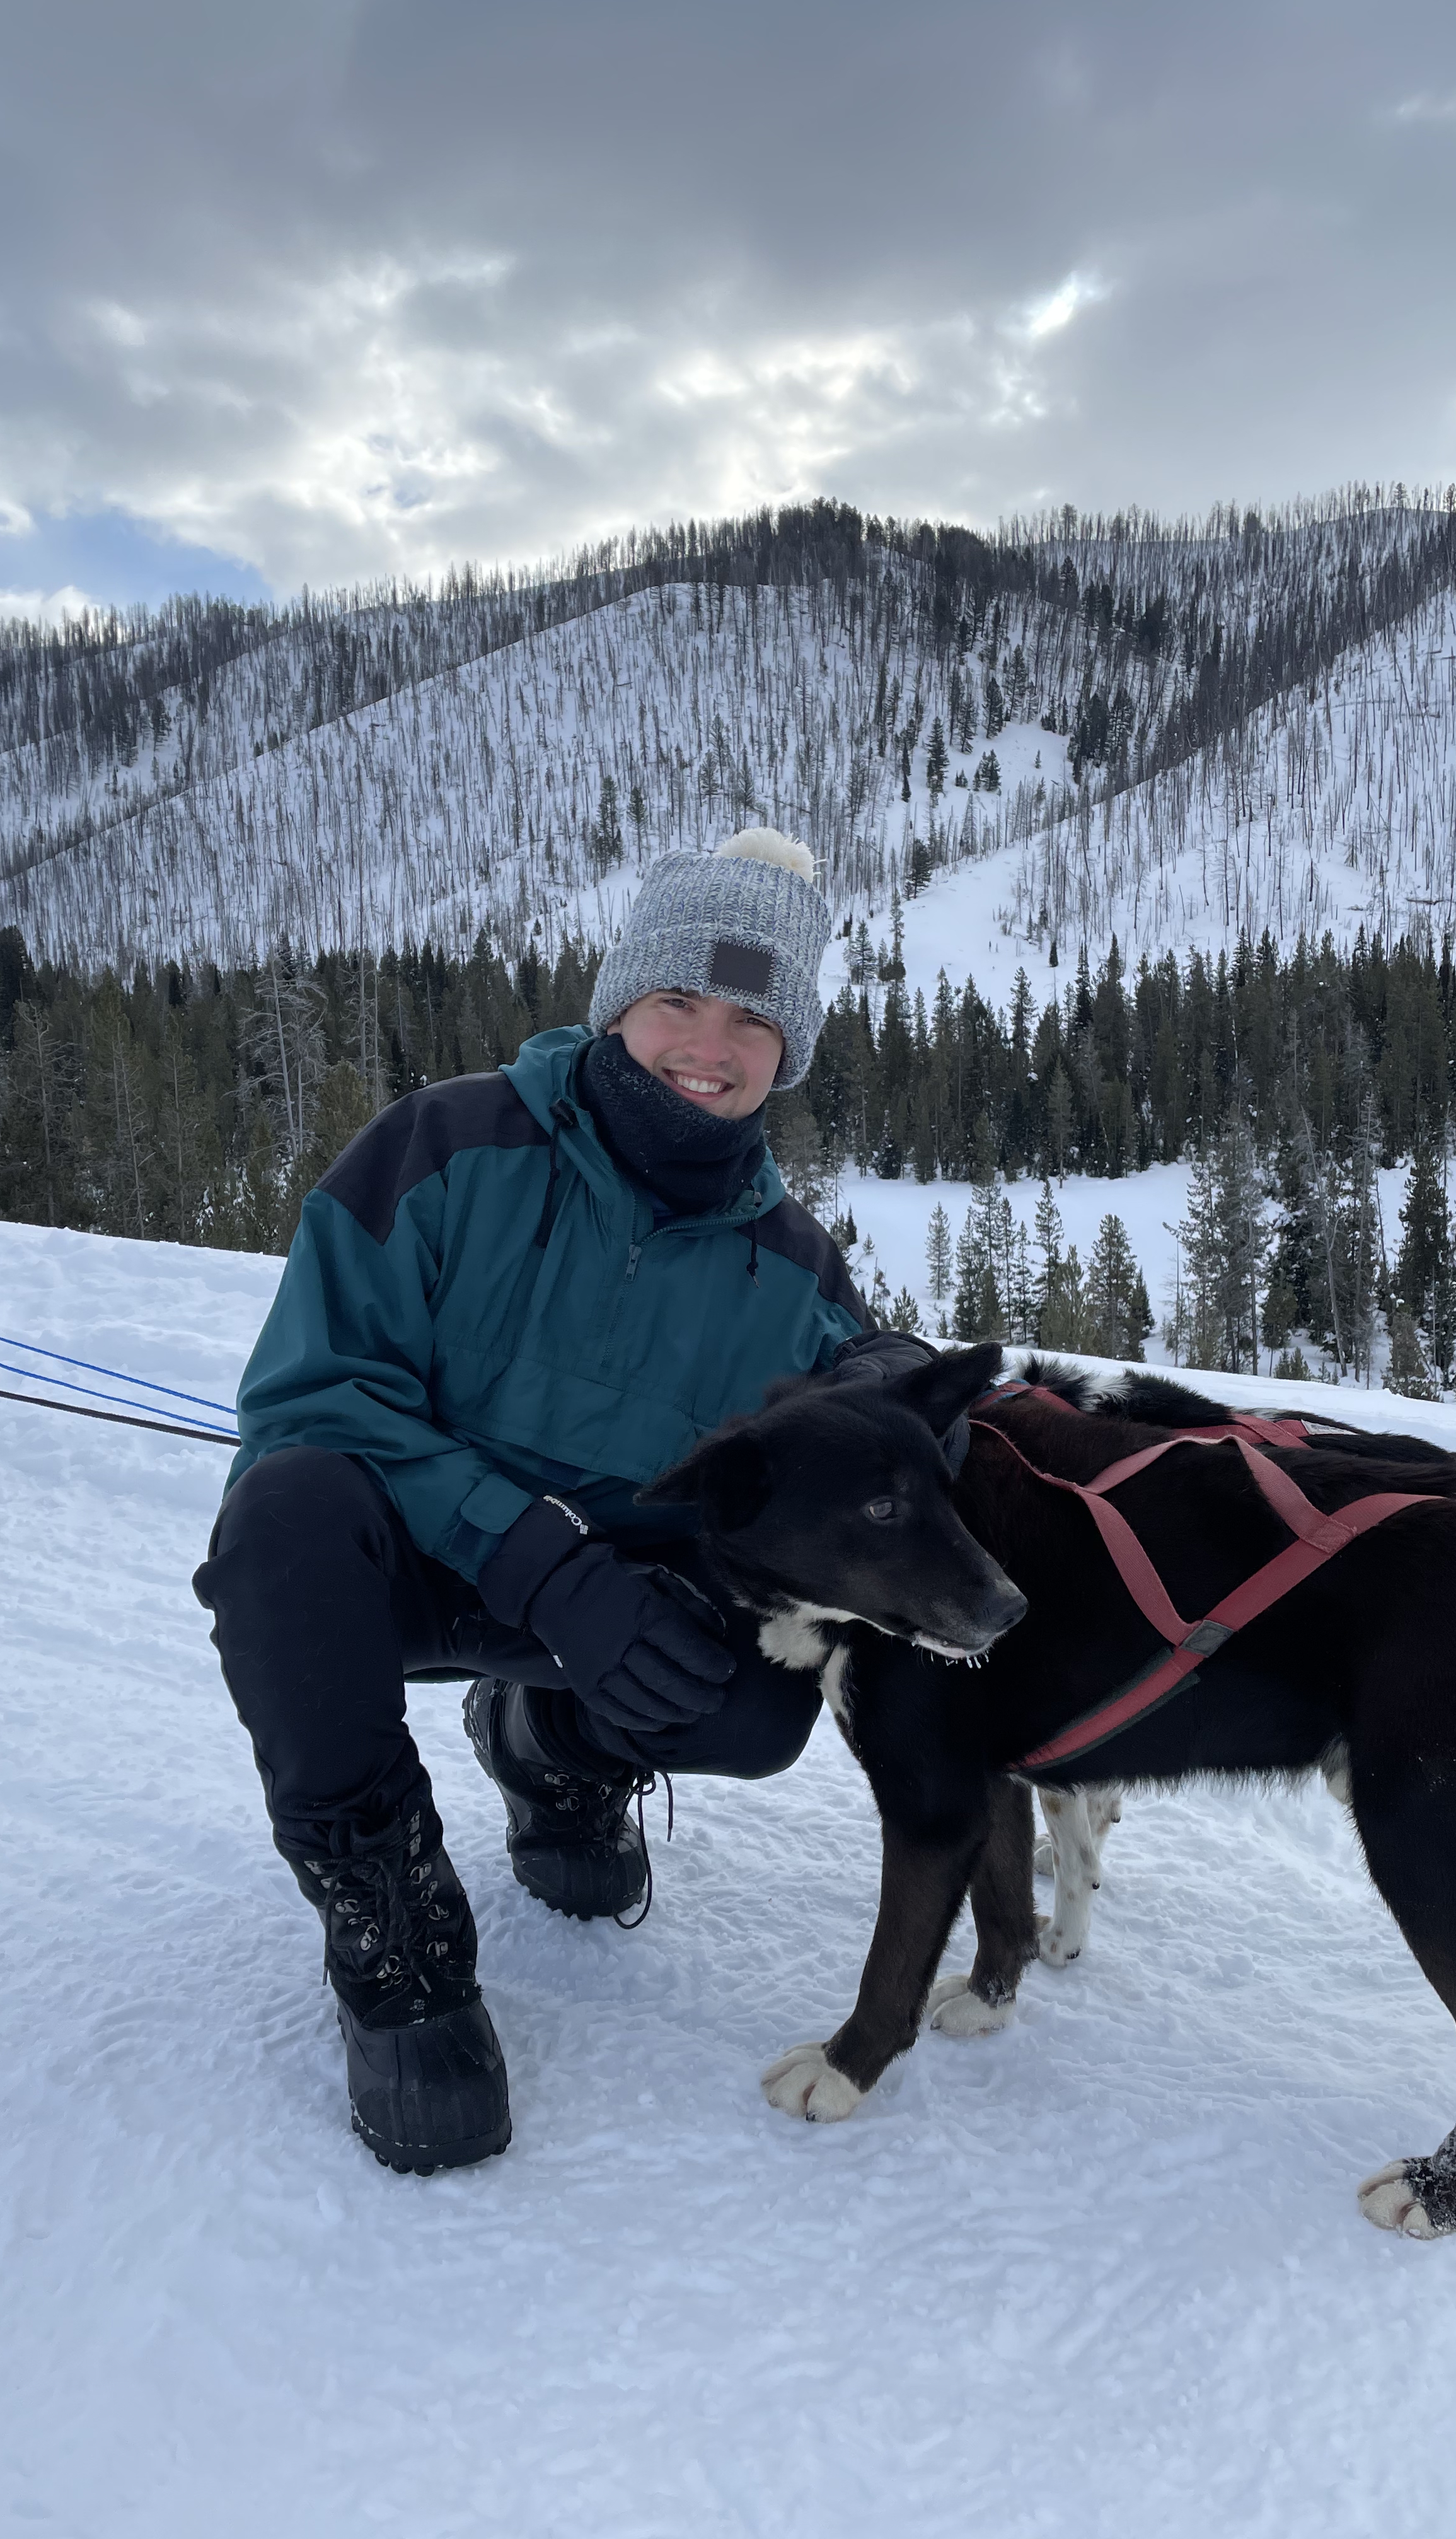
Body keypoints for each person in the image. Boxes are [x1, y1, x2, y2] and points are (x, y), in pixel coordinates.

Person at [193, 828, 932, 2173]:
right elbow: (314, 1395)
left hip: (602, 1609)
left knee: (763, 1701)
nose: (709, 1046)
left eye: (755, 1019)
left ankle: (554, 1750)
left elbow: (858, 1425)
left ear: (792, 1049)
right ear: (619, 1001)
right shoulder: (447, 1145)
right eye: (679, 1002)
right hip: (407, 1565)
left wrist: (896, 1375)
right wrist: (539, 1560)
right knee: (281, 1525)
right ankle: (392, 1926)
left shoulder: (795, 1269)